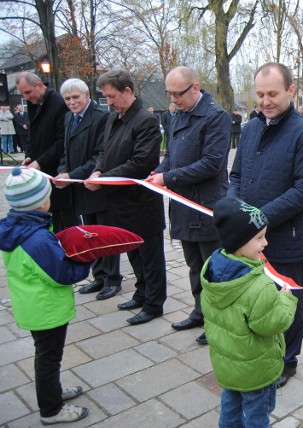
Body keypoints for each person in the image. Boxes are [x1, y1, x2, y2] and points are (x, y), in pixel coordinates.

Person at [228, 62, 303, 388]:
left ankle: (287, 360)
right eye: (260, 94)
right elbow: (237, 175)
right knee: (254, 299)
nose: (265, 101)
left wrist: (258, 219)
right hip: (248, 237)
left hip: (285, 237)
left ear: (291, 90)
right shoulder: (251, 128)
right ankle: (260, 352)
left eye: (273, 93)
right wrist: (234, 209)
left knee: (286, 304)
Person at [0, 167, 91, 425]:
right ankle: (51, 409)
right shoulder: (37, 239)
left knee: (46, 356)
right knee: (49, 359)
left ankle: (53, 391)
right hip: (46, 310)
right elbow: (61, 273)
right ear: (42, 203)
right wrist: (85, 261)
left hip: (31, 305)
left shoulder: (14, 228)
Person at [148, 66, 231, 344]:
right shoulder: (177, 115)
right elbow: (171, 155)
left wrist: (167, 177)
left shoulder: (216, 117)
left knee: (213, 270)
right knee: (194, 265)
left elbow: (211, 163)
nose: (173, 100)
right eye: (169, 94)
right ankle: (200, 311)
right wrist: (158, 172)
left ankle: (217, 322)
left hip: (205, 206)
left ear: (195, 87)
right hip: (183, 204)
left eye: (177, 94)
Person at [201, 196, 297, 428]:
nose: (265, 243)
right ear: (238, 243)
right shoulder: (258, 285)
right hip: (256, 371)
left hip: (228, 366)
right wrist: (286, 299)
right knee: (257, 415)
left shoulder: (212, 271)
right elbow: (272, 323)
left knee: (231, 406)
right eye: (258, 238)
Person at [86, 69, 167, 323]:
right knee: (132, 252)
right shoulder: (113, 119)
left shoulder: (146, 121)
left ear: (128, 91)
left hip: (141, 203)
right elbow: (103, 150)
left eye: (112, 96)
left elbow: (141, 163)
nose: (108, 102)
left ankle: (154, 304)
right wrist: (99, 169)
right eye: (106, 96)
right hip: (118, 203)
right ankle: (141, 293)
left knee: (150, 257)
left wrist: (105, 179)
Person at [53, 78, 121, 301]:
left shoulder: (101, 117)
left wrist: (72, 175)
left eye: (75, 97)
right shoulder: (68, 118)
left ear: (87, 96)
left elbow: (99, 156)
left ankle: (112, 278)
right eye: (67, 99)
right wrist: (63, 172)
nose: (72, 102)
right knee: (90, 233)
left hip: (96, 185)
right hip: (79, 187)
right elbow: (65, 152)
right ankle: (99, 276)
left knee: (104, 233)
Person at [15, 72, 77, 232]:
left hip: (57, 170)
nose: (26, 97)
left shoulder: (58, 103)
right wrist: (29, 155)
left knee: (63, 223)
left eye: (28, 92)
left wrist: (40, 161)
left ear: (40, 85)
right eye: (23, 94)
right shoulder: (33, 104)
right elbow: (32, 133)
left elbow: (62, 141)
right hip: (40, 172)